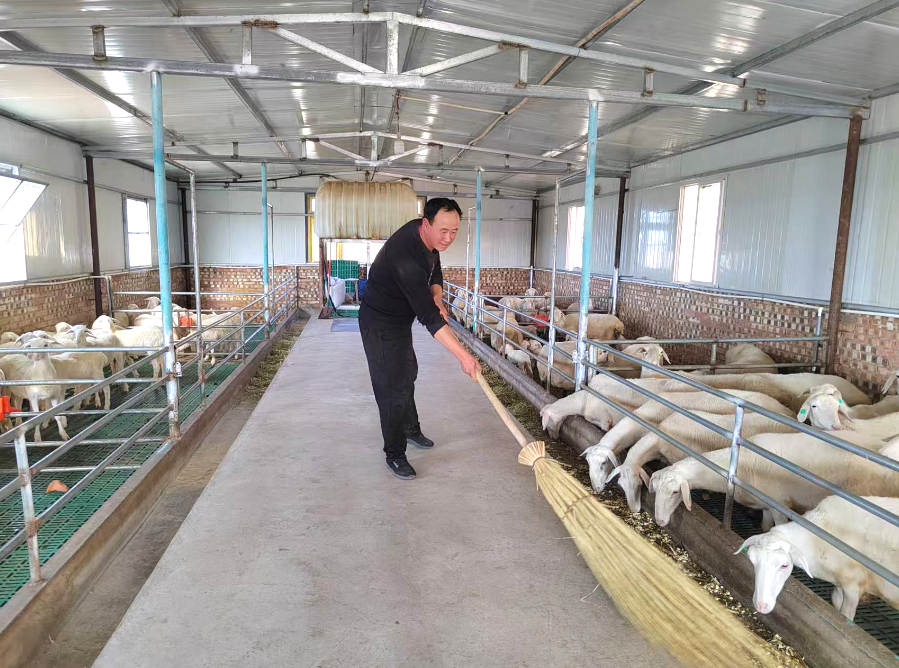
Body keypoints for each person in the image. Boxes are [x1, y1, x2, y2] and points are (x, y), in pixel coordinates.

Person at [359, 197, 480, 480]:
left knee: (408, 373)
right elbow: (430, 319)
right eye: (443, 231)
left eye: (454, 231)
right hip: (380, 323)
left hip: (401, 320)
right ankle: (395, 454)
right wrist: (464, 357)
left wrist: (437, 295)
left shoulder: (427, 237)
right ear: (427, 224)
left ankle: (410, 428)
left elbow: (435, 270)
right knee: (391, 388)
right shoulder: (405, 256)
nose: (448, 238)